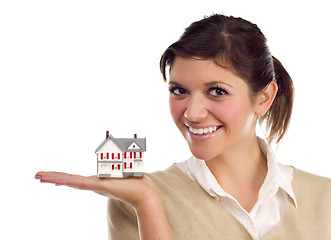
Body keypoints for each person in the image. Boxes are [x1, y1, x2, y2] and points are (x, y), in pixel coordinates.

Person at [35, 14, 331, 240]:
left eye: (217, 91)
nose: (193, 113)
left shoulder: (324, 198)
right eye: (179, 91)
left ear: (264, 98)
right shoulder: (134, 198)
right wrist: (148, 204)